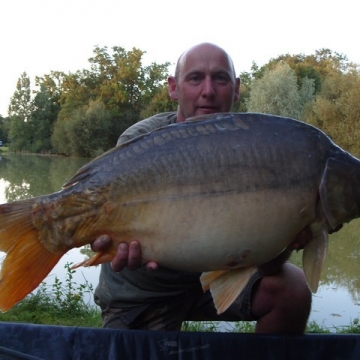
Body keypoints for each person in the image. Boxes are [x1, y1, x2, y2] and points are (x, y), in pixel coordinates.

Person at [91, 43, 312, 333]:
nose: (208, 90)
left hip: (217, 279)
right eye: (195, 78)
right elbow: (104, 232)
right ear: (174, 87)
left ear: (236, 89)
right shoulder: (142, 141)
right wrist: (108, 243)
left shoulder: (256, 149)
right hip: (143, 294)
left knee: (293, 290)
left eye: (220, 79)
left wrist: (285, 237)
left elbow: (268, 266)